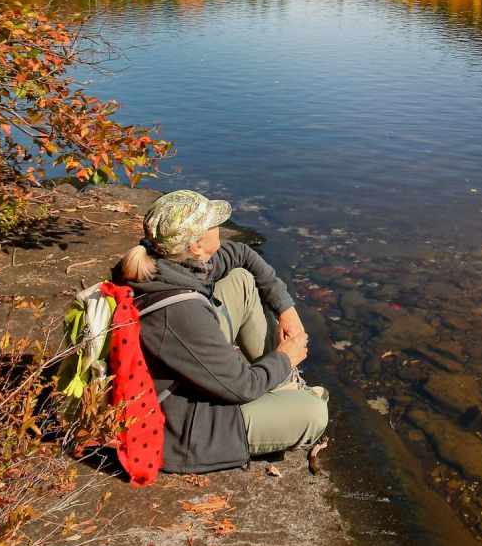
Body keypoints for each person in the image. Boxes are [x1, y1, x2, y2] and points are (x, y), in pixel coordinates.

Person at [115, 189, 328, 474]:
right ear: (196, 246)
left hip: (187, 377)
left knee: (239, 279)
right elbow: (241, 387)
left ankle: (279, 383)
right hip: (185, 428)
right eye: (213, 224)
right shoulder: (179, 311)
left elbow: (242, 254)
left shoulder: (172, 264)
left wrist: (285, 309)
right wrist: (285, 358)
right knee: (313, 413)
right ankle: (282, 387)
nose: (220, 226)